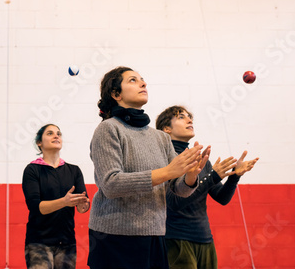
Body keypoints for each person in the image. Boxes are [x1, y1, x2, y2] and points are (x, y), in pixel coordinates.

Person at [88, 66, 208, 269]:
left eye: (142, 79)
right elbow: (111, 184)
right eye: (133, 80)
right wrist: (167, 172)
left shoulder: (160, 137)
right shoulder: (107, 129)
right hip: (114, 237)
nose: (143, 83)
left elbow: (178, 189)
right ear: (116, 94)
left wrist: (189, 177)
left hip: (155, 234)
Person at [155, 105, 259, 269]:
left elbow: (222, 198)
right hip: (176, 240)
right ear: (166, 128)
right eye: (181, 117)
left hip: (204, 238)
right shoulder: (164, 159)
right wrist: (212, 178)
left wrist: (235, 175)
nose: (189, 120)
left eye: (190, 117)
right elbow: (174, 203)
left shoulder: (201, 160)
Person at [22, 124, 90, 269]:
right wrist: (64, 202)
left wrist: (83, 205)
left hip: (66, 242)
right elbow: (36, 207)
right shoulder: (32, 170)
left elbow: (82, 207)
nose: (56, 136)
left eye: (58, 133)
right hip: (39, 243)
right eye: (50, 133)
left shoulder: (74, 170)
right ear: (39, 143)